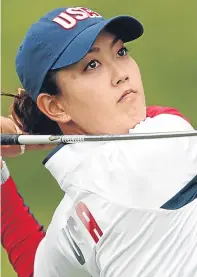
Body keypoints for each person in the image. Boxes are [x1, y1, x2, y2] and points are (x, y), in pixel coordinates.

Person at [1, 5, 197, 277]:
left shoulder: (71, 220)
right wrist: (29, 137)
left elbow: (34, 267)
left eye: (121, 52)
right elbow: (166, 116)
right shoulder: (166, 138)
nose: (121, 74)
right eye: (92, 65)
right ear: (55, 107)